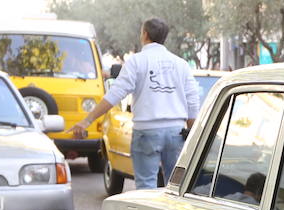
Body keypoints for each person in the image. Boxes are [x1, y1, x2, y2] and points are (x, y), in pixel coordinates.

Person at [68, 18, 201, 189]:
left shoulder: (136, 61)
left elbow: (115, 94)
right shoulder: (181, 64)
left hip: (146, 131)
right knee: (176, 187)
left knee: (146, 186)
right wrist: (192, 134)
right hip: (176, 132)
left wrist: (87, 120)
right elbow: (192, 100)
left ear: (145, 34)